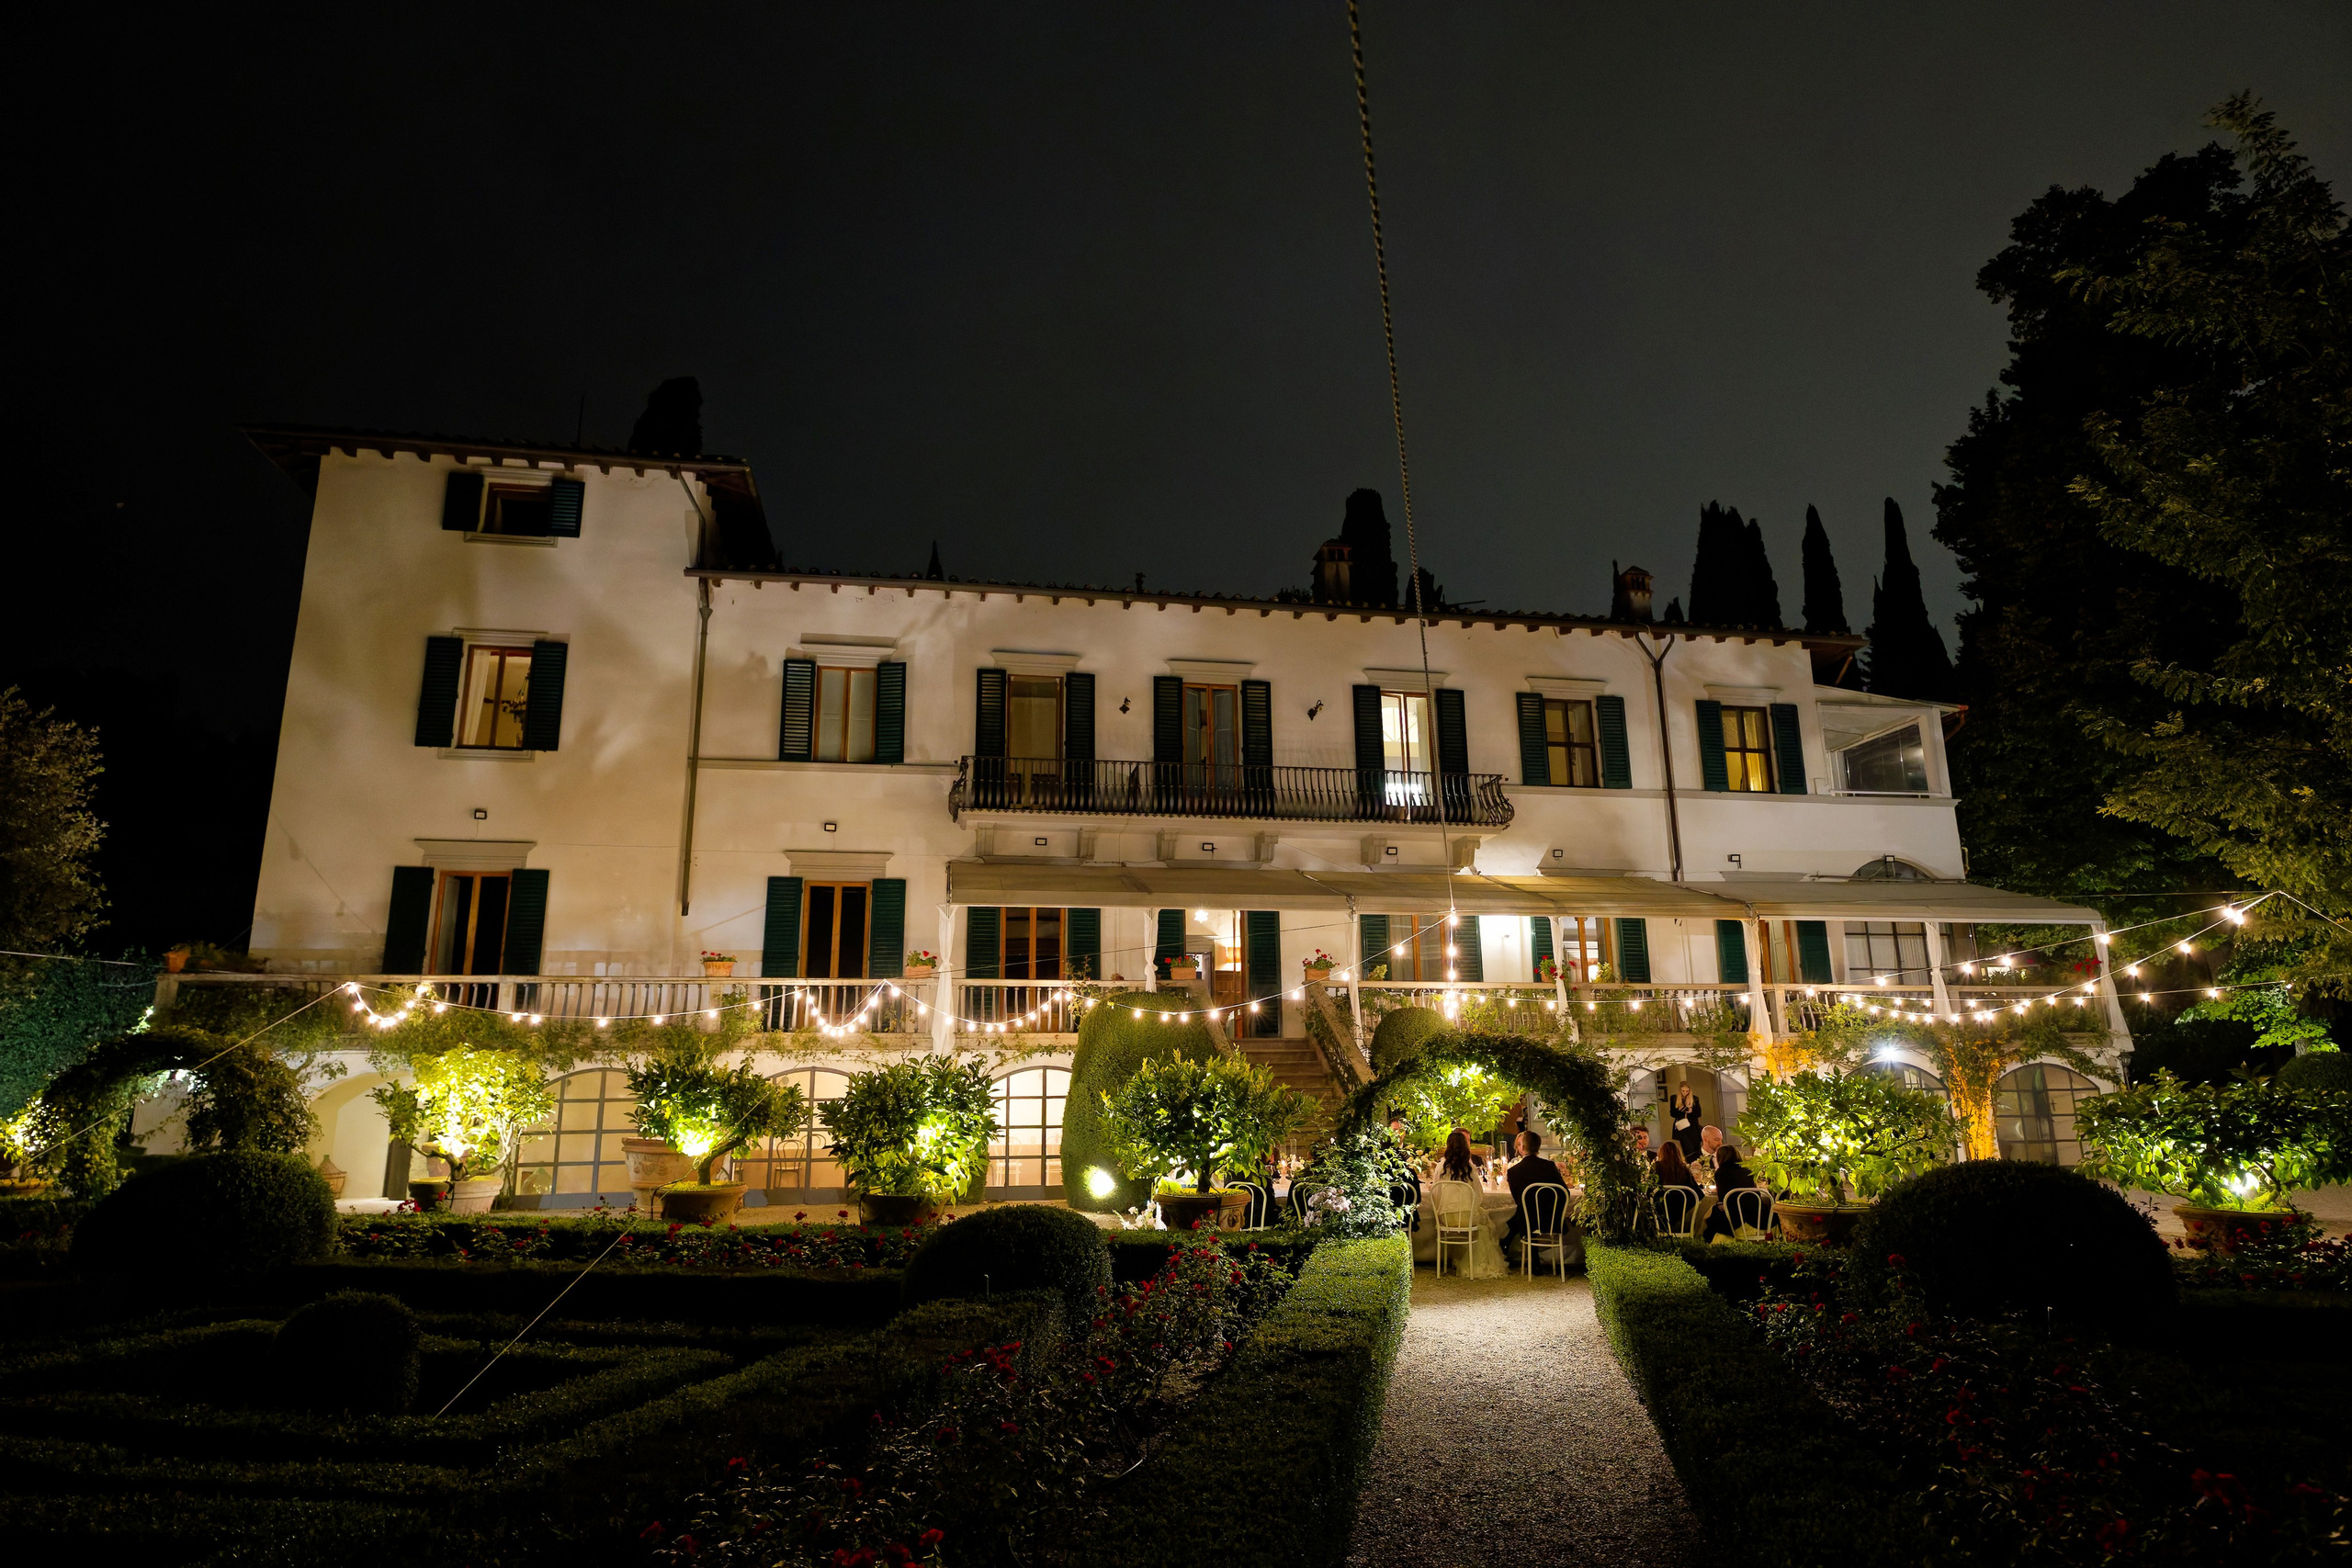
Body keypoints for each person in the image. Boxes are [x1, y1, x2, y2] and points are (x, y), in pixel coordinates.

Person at [1501, 1129, 1569, 1252]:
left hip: (1528, 1221)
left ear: (1523, 1147)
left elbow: (1518, 1200)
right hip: (1552, 1219)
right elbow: (1565, 1193)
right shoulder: (1550, 1166)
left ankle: (1509, 1243)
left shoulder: (1514, 1171)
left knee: (1524, 1210)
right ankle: (1529, 1256)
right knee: (1525, 1209)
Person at [1702, 1143, 1767, 1239]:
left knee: (1711, 1215)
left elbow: (1723, 1198)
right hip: (1756, 1213)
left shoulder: (1721, 1173)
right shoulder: (1748, 1171)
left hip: (1736, 1215)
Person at [1667, 1082, 1704, 1160]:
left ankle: (1697, 1164)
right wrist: (1680, 1110)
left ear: (1689, 1091)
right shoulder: (1674, 1098)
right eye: (1683, 1091)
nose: (1685, 1093)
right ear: (1680, 1091)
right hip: (1682, 1127)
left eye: (1687, 1091)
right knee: (1687, 1149)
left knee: (1696, 1149)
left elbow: (1699, 1113)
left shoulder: (1694, 1098)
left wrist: (1691, 1111)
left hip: (1693, 1126)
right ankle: (1690, 1164)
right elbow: (1672, 1114)